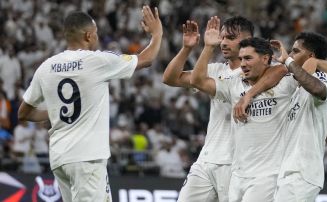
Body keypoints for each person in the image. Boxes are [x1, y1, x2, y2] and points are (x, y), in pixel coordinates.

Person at [18, 6, 162, 202]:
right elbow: (147, 58)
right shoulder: (98, 61)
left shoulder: (46, 67)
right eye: (96, 34)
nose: (97, 38)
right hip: (87, 157)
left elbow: (24, 113)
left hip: (60, 158)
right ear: (87, 36)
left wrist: (55, 112)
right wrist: (157, 32)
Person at [163, 16, 286, 202]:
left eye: (230, 37)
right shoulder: (215, 70)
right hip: (207, 159)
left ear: (247, 40)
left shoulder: (261, 71)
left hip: (236, 164)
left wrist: (248, 95)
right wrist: (188, 48)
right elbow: (171, 78)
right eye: (222, 37)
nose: (223, 42)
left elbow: (281, 69)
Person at [190, 16, 302, 201]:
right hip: (237, 173)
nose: (243, 64)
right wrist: (207, 47)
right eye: (241, 59)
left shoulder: (281, 81)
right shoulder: (233, 84)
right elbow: (197, 81)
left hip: (268, 173)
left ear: (265, 58)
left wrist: (249, 96)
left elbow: (284, 70)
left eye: (248, 58)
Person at [270, 32, 327, 202]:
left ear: (311, 56)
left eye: (295, 51)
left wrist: (289, 62)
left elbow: (319, 90)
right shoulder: (297, 88)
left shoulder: (321, 77)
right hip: (289, 172)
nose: (290, 55)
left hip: (302, 172)